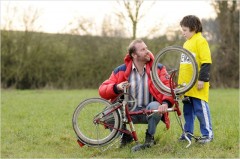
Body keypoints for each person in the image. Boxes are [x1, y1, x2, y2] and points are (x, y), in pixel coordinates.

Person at [99, 39, 174, 148]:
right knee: (107, 114)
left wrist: (166, 103)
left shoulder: (158, 68)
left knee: (155, 106)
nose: (147, 51)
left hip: (149, 110)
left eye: (146, 48)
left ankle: (150, 137)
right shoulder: (120, 70)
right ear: (134, 55)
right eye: (143, 49)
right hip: (128, 113)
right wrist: (117, 87)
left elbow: (168, 86)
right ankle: (126, 137)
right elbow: (102, 89)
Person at [178, 15, 213, 144]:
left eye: (185, 30)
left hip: (197, 85)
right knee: (188, 112)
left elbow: (206, 62)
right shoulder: (186, 43)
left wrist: (202, 79)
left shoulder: (200, 41)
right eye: (182, 30)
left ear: (194, 28)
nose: (183, 33)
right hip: (186, 86)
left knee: (200, 110)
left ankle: (207, 135)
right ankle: (187, 134)